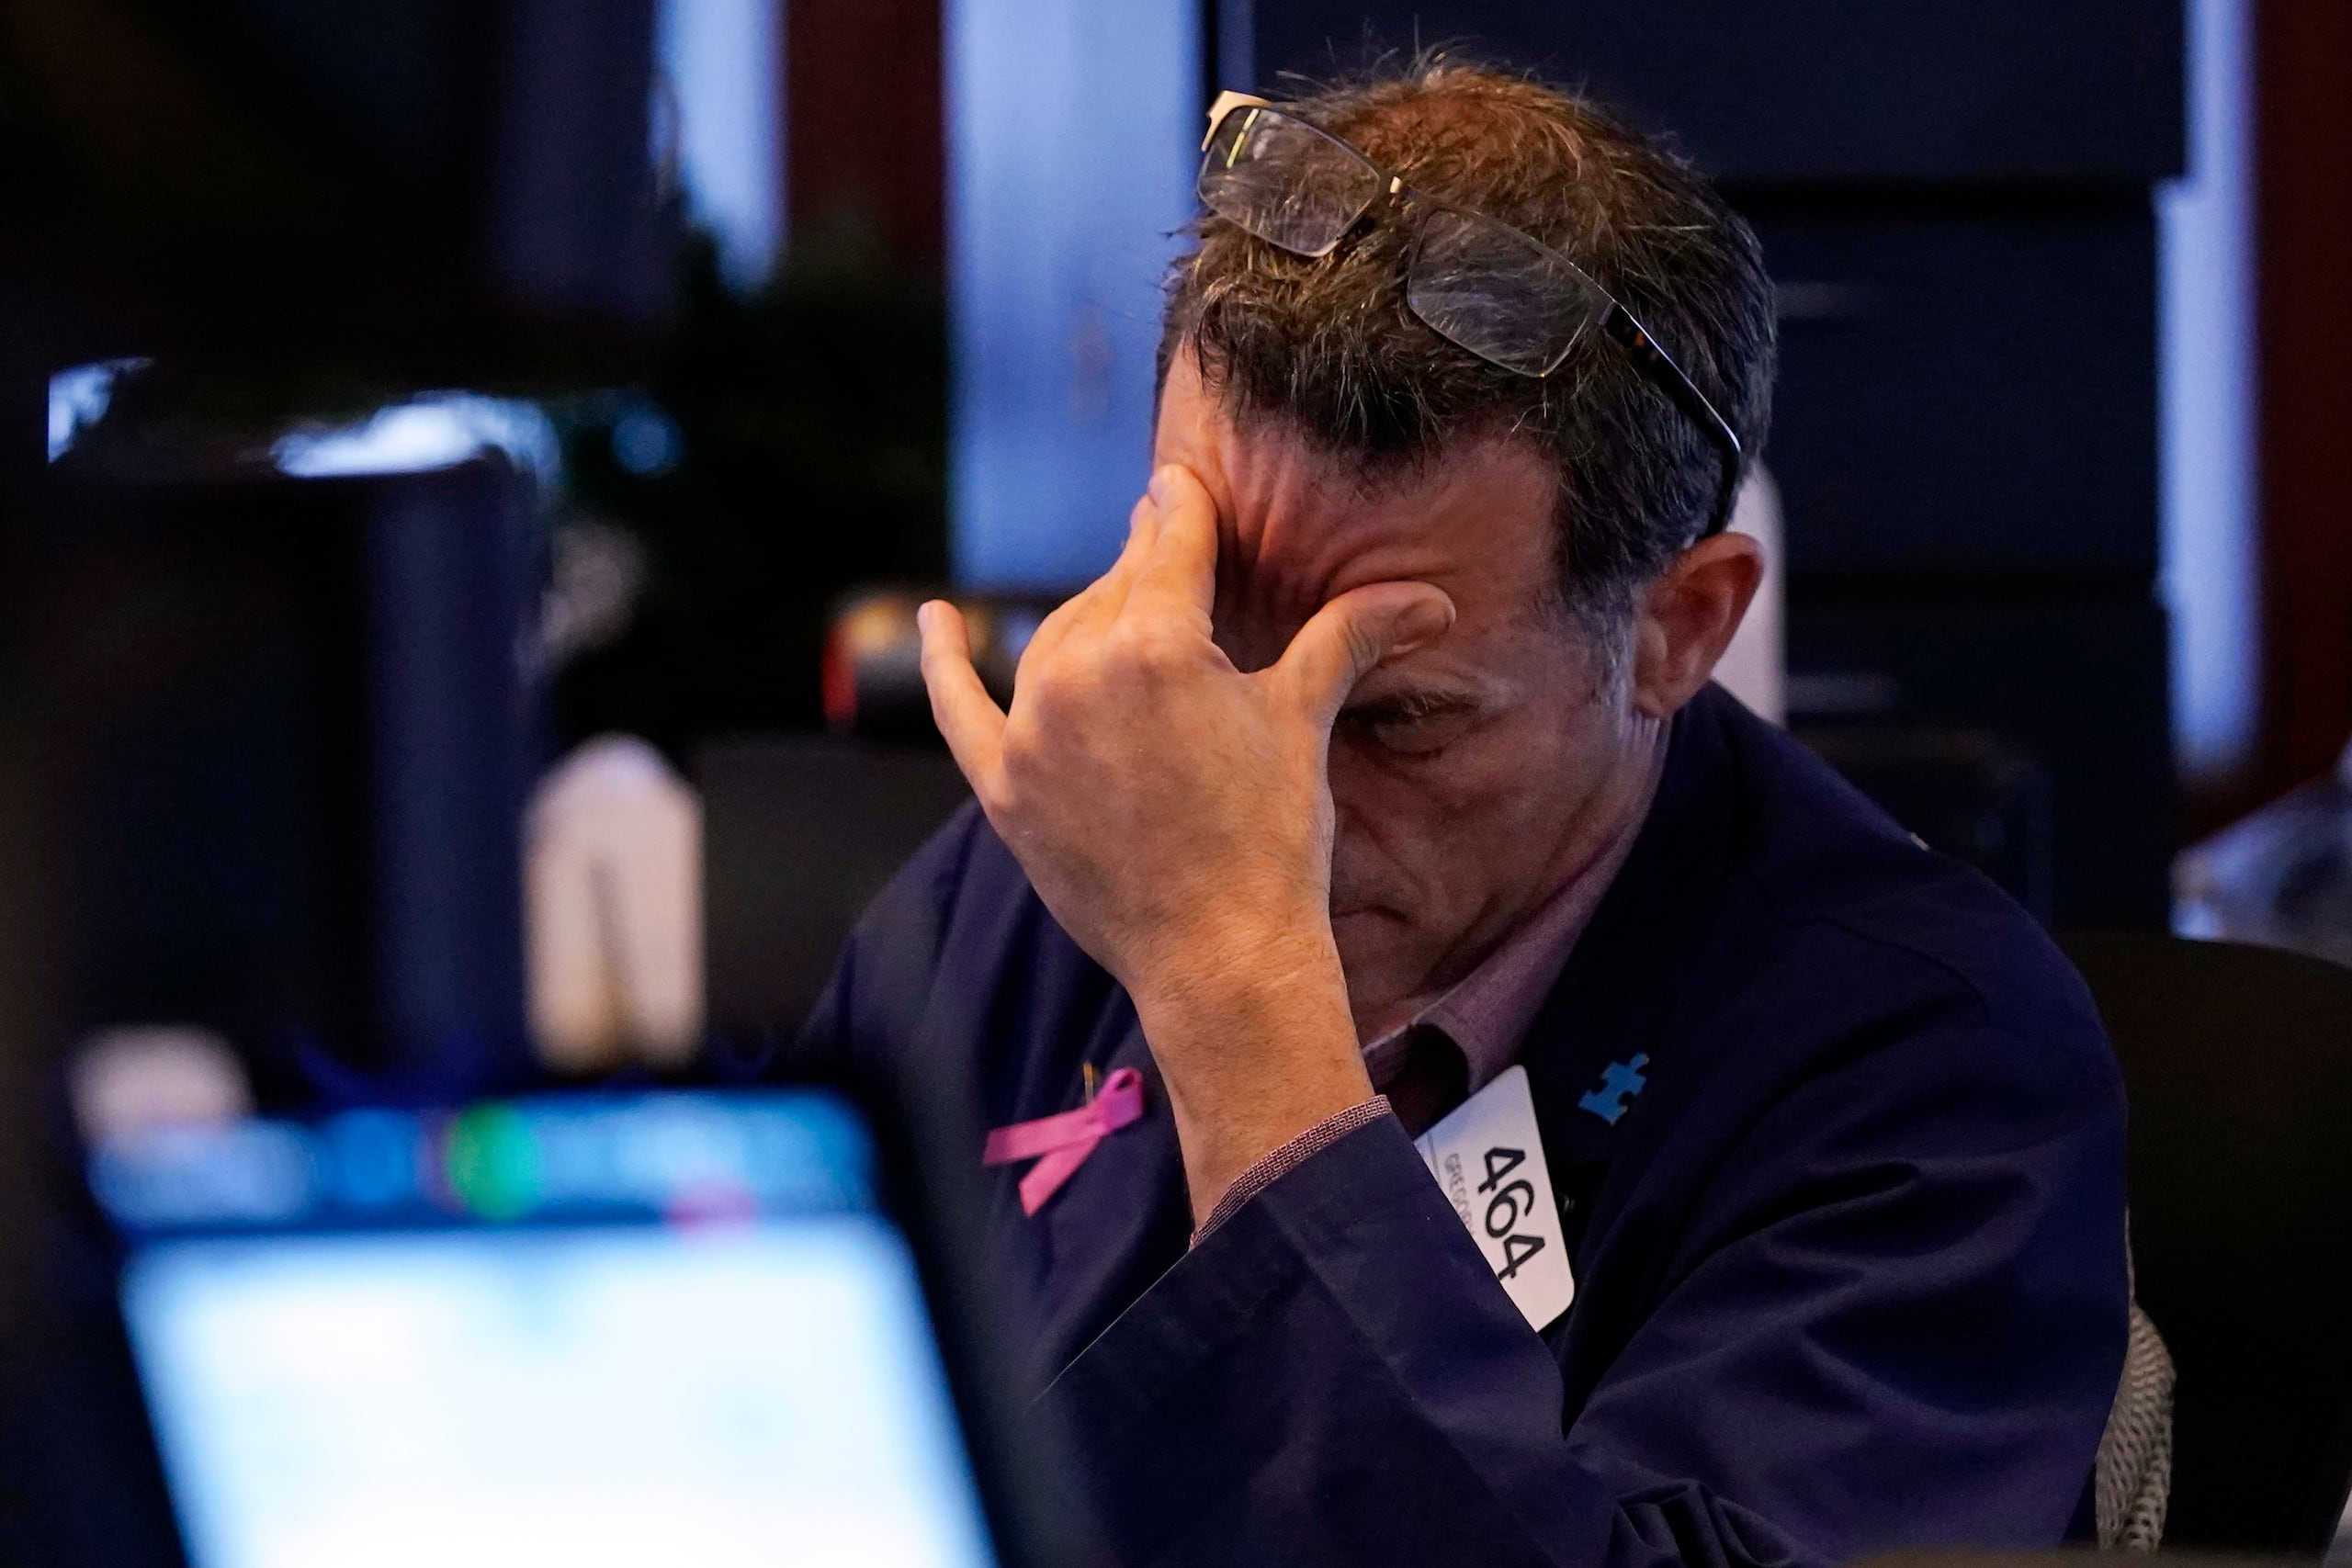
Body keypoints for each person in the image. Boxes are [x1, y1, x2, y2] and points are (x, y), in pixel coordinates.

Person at [802, 60, 2127, 1568]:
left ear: (1677, 629)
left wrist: (1238, 1007)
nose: (1267, 805)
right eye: (1217, 667)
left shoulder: (1931, 1065)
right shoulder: (1043, 869)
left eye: (1397, 719)